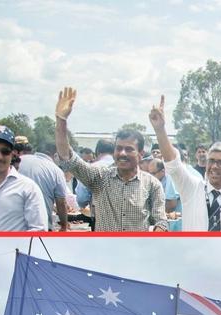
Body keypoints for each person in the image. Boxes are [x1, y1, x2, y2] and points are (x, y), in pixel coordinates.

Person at [54, 87, 167, 232]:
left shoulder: (152, 184)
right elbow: (67, 157)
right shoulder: (100, 177)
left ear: (140, 153)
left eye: (129, 149)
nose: (122, 153)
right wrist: (61, 120)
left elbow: (161, 221)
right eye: (118, 148)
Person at [148, 97, 221, 231]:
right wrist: (160, 130)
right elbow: (173, 163)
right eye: (211, 161)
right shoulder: (192, 188)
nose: (214, 167)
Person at [18, 151, 69, 231]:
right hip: (41, 224)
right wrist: (64, 226)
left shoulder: (20, 159)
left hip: (14, 224)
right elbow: (61, 203)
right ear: (55, 155)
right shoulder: (56, 170)